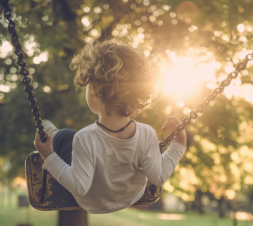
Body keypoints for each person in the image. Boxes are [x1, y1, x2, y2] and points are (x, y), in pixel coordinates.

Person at [34, 40, 186, 214]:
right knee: (69, 137)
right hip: (130, 197)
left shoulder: (84, 138)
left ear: (96, 89)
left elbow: (79, 187)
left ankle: (51, 130)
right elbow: (158, 177)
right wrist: (179, 144)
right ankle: (51, 130)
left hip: (92, 202)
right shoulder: (147, 134)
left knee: (64, 136)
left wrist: (48, 155)